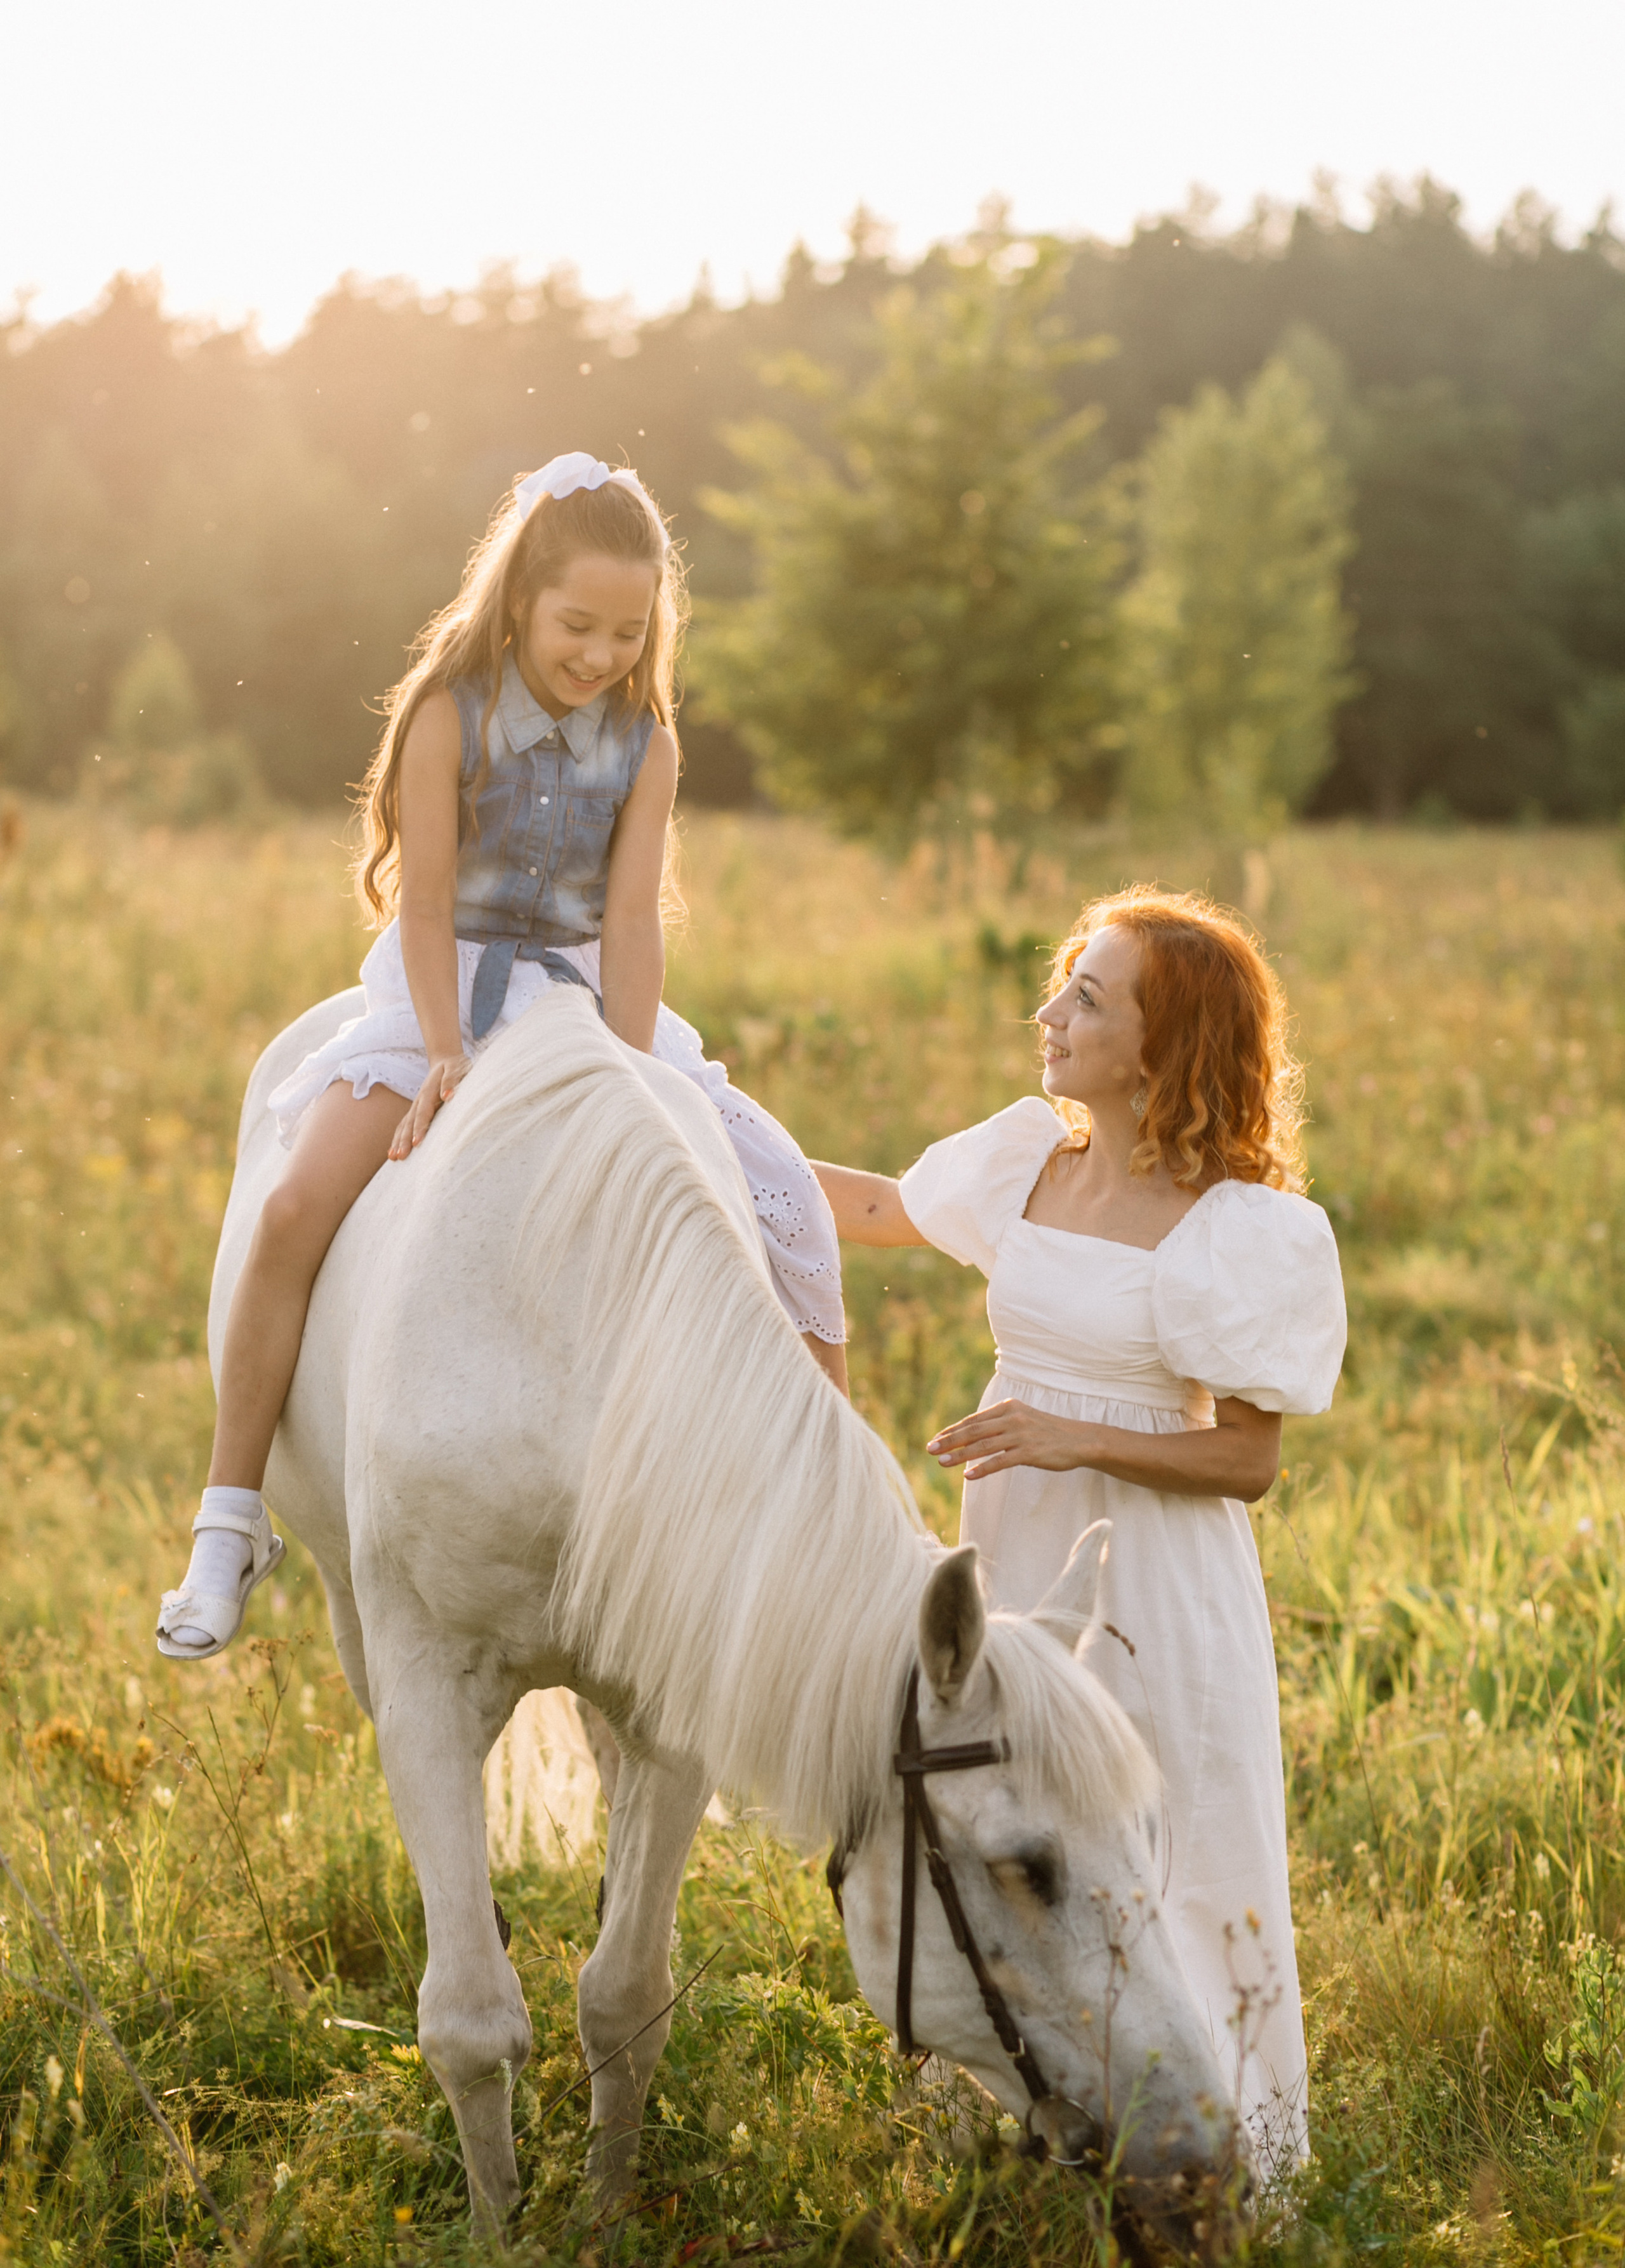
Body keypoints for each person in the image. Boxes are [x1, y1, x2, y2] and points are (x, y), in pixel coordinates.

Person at [156, 452, 846, 1663]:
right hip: (436, 1000)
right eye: (578, 624)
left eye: (629, 634)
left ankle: (797, 1536)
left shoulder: (648, 746)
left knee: (788, 1210)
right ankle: (231, 1515)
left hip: (581, 1012)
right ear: (521, 596)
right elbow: (423, 909)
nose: (600, 656)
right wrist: (440, 1055)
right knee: (293, 1210)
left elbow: (630, 926)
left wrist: (628, 1078)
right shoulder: (446, 715)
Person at [812, 886, 1345, 2172]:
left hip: (1157, 1570)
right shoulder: (1024, 1170)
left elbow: (1248, 1459)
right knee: (1013, 1828)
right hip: (1013, 1552)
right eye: (1062, 984)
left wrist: (1071, 1434)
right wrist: (703, 1122)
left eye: (1087, 998)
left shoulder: (1238, 1228)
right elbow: (879, 1210)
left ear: (1160, 1046)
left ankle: (1222, 2157)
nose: (1049, 1013)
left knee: (1171, 1840)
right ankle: (1029, 2118)